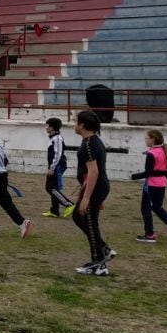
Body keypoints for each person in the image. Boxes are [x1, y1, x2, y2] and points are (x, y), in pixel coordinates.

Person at [71, 110, 115, 276]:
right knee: (79, 217)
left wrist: (86, 197)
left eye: (75, 121)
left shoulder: (89, 144)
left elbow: (93, 172)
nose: (73, 124)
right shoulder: (94, 140)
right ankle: (103, 249)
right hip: (97, 186)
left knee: (88, 220)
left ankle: (99, 263)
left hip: (95, 187)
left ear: (82, 125)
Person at [132, 129, 167, 243]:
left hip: (151, 184)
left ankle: (150, 235)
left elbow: (148, 172)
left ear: (153, 139)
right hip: (161, 183)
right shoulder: (164, 151)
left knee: (146, 208)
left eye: (146, 138)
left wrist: (134, 176)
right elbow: (165, 170)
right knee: (157, 208)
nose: (145, 140)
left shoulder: (151, 154)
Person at [42, 118, 74, 218]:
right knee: (52, 187)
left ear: (52, 127)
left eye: (47, 125)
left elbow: (58, 154)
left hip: (57, 166)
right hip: (54, 166)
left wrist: (52, 168)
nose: (46, 127)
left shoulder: (57, 139)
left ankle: (69, 204)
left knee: (51, 188)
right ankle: (54, 210)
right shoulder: (53, 138)